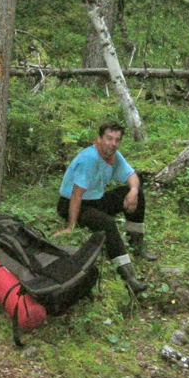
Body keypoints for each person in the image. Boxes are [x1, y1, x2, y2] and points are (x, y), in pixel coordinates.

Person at [55, 121, 157, 295]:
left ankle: (136, 242)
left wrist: (133, 190)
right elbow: (76, 194)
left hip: (95, 200)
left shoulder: (113, 156)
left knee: (137, 192)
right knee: (108, 224)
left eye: (117, 140)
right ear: (99, 139)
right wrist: (70, 227)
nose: (113, 143)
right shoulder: (90, 159)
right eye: (109, 139)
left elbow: (131, 174)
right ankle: (128, 276)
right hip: (72, 204)